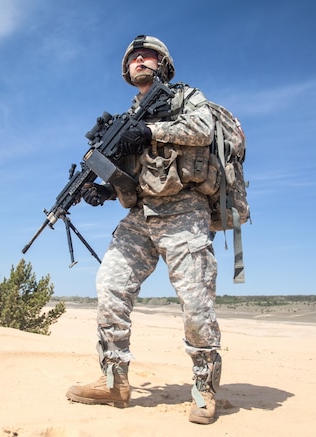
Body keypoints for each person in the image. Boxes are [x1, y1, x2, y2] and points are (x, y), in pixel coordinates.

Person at [66, 35, 222, 425]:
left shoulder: (185, 98)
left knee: (195, 302)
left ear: (163, 62)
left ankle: (205, 390)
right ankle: (114, 381)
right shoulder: (125, 120)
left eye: (147, 54)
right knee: (111, 285)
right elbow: (133, 185)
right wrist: (103, 189)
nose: (138, 59)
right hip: (141, 214)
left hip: (184, 209)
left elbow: (204, 129)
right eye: (133, 57)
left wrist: (151, 132)